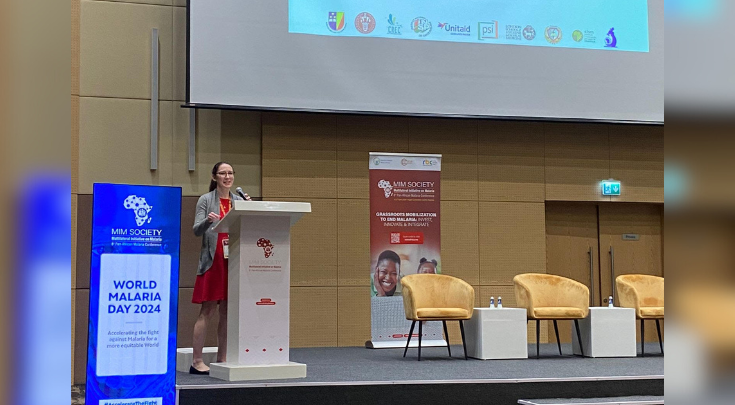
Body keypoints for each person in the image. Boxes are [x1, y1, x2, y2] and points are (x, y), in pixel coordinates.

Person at [189, 162, 250, 375]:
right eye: (223, 173)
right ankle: (197, 361)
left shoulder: (238, 200)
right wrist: (208, 221)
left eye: (230, 173)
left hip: (232, 260)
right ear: (214, 177)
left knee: (226, 312)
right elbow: (197, 230)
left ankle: (222, 358)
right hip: (213, 260)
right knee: (208, 310)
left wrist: (249, 209)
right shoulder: (206, 200)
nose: (227, 176)